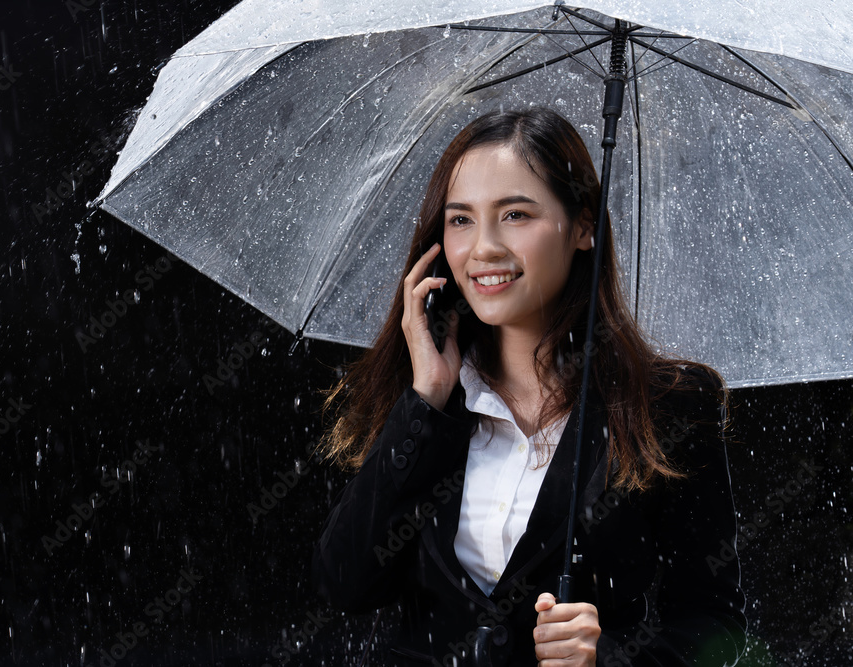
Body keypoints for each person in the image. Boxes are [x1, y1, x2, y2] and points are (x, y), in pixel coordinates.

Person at [311, 107, 747, 666]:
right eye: (461, 220)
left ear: (583, 226)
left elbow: (717, 632)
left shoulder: (665, 405)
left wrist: (609, 657)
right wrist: (427, 401)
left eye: (515, 214)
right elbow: (343, 583)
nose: (484, 248)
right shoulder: (429, 396)